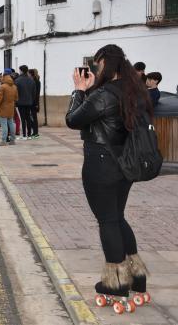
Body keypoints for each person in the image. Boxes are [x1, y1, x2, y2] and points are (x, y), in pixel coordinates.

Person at [66, 44, 152, 308]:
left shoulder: (103, 94)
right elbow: (102, 115)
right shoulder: (131, 91)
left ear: (106, 64)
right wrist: (91, 91)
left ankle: (115, 284)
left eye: (97, 64)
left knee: (107, 221)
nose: (95, 68)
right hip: (123, 165)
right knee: (117, 217)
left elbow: (73, 119)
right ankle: (137, 278)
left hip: (101, 165)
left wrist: (79, 90)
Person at [0, 69, 18, 146]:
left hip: (3, 108)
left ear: (4, 76)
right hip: (11, 107)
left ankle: (3, 141)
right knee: (11, 124)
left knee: (4, 125)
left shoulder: (2, 87)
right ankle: (12, 140)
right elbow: (16, 98)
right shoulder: (14, 86)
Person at [15, 65, 36, 140]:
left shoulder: (17, 80)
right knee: (28, 118)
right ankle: (29, 134)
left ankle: (24, 135)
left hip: (20, 103)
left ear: (21, 71)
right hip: (29, 102)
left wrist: (16, 101)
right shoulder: (31, 80)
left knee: (22, 119)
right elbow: (34, 93)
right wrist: (31, 100)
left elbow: (16, 93)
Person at [28, 69, 41, 139]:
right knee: (32, 117)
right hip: (33, 102)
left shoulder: (35, 81)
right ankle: (35, 132)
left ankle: (35, 132)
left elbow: (36, 93)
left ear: (31, 74)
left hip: (33, 102)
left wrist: (36, 103)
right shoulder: (35, 81)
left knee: (33, 118)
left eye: (28, 74)